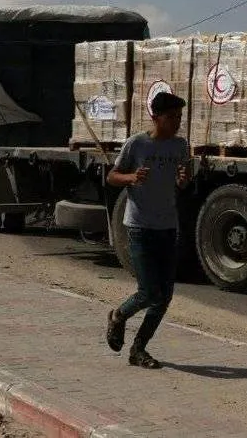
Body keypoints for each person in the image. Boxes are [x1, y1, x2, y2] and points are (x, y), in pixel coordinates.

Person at [105, 90, 190, 369]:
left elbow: (183, 182)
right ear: (156, 117)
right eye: (171, 117)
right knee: (149, 292)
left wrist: (184, 178)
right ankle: (118, 316)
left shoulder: (180, 146)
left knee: (164, 297)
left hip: (167, 227)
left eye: (179, 117)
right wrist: (131, 177)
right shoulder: (137, 144)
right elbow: (112, 177)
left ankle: (138, 349)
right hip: (140, 227)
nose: (176, 122)